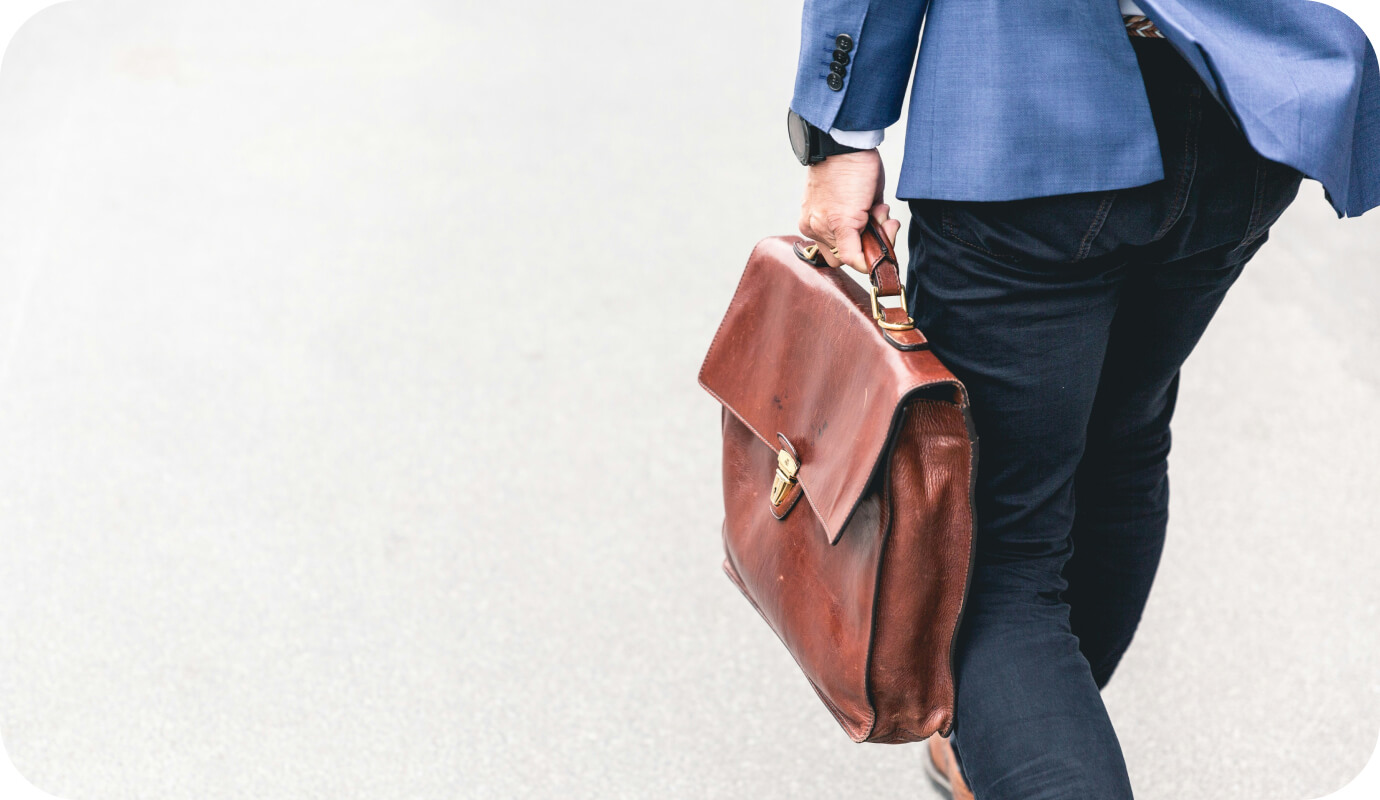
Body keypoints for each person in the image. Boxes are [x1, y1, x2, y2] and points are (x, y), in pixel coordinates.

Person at [785, 1, 1380, 798]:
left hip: (1030, 115)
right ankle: (1021, 731)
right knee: (1122, 440)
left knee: (994, 551)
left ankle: (1029, 737)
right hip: (1242, 105)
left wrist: (841, 131)